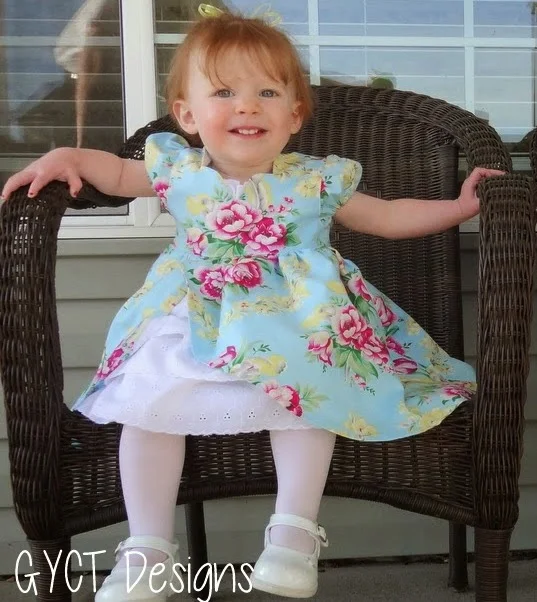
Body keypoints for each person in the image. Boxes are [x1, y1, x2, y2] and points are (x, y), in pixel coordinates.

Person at [1, 6, 504, 602]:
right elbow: (110, 171)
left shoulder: (317, 179)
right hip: (193, 316)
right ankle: (148, 549)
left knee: (311, 389)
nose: (247, 105)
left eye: (267, 92)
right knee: (145, 397)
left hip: (300, 323)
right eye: (224, 91)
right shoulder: (176, 169)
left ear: (294, 116)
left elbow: (387, 216)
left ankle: (292, 533)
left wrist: (458, 208)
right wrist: (67, 157)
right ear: (188, 115)